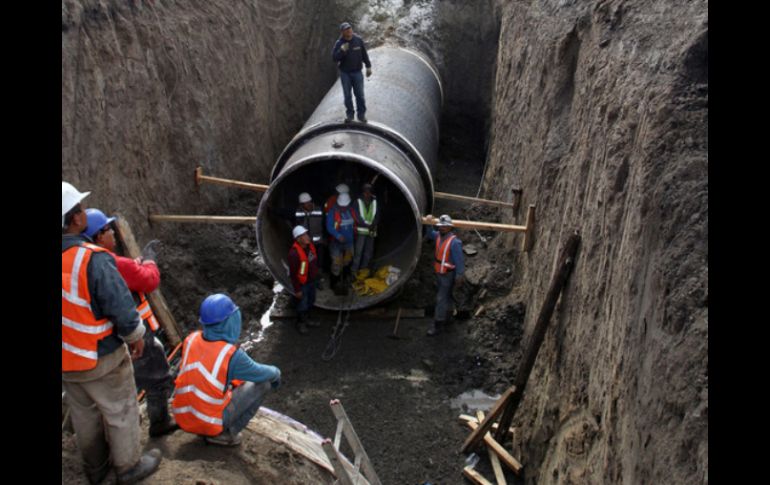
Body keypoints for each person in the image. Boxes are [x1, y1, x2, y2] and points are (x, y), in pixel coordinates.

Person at [62, 182, 162, 485]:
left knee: (85, 415)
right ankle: (128, 467)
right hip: (100, 353)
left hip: (67, 359)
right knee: (120, 409)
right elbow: (120, 306)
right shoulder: (91, 258)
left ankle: (96, 469)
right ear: (76, 218)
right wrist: (135, 337)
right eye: (79, 209)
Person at [84, 208, 179, 438]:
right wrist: (149, 262)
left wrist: (137, 263)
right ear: (99, 236)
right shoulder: (110, 263)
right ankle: (159, 423)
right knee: (157, 377)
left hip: (103, 342)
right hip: (134, 335)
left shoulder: (86, 262)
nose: (114, 234)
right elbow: (148, 280)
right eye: (109, 230)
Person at [172, 294, 281, 446]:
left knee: (233, 382)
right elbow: (263, 373)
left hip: (182, 416)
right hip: (208, 423)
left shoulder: (191, 339)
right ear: (230, 321)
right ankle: (226, 434)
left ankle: (206, 425)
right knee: (264, 384)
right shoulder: (231, 355)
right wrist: (276, 373)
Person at [424, 214, 465, 336]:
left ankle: (438, 324)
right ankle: (448, 317)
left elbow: (459, 261)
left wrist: (459, 275)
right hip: (439, 273)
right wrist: (428, 222)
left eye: (444, 226)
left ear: (449, 227)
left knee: (441, 298)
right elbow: (430, 233)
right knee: (447, 296)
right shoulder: (438, 236)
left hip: (448, 275)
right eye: (440, 226)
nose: (441, 228)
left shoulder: (454, 242)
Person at [332, 22, 372, 123]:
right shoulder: (339, 43)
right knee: (347, 96)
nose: (349, 30)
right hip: (345, 74)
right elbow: (334, 58)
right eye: (346, 29)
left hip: (357, 72)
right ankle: (350, 115)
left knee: (360, 95)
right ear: (342, 32)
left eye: (350, 28)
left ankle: (361, 115)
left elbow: (364, 54)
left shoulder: (358, 40)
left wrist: (368, 66)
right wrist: (341, 51)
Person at [288, 226, 320, 334]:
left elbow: (313, 263)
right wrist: (297, 290)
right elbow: (293, 274)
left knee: (311, 301)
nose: (307, 237)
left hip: (311, 281)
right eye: (304, 235)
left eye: (306, 234)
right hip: (303, 284)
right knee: (302, 304)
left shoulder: (310, 247)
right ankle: (300, 323)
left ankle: (308, 319)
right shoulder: (294, 254)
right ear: (298, 239)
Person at [326, 192, 358, 295]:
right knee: (336, 263)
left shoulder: (352, 211)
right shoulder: (332, 212)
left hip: (349, 243)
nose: (344, 208)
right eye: (342, 206)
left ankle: (344, 280)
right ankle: (334, 284)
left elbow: (355, 223)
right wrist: (338, 236)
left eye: (345, 206)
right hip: (336, 243)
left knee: (347, 261)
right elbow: (329, 226)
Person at [351, 183, 380, 275]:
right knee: (358, 252)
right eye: (366, 191)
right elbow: (356, 216)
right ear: (363, 192)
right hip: (361, 231)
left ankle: (363, 271)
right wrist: (368, 225)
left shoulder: (375, 201)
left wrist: (374, 224)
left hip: (371, 231)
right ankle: (354, 271)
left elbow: (378, 215)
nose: (367, 193)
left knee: (368, 252)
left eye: (369, 191)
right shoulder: (358, 201)